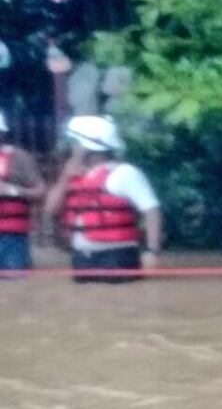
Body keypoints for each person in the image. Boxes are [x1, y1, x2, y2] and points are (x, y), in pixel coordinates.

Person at [45, 115, 163, 283]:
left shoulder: (125, 173)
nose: (71, 147)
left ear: (86, 147)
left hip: (116, 257)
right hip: (82, 258)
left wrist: (152, 252)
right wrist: (65, 177)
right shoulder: (73, 175)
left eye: (75, 143)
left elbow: (152, 210)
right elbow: (50, 209)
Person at [0, 110, 47, 271]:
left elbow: (41, 191)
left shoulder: (19, 157)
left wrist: (12, 190)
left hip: (10, 235)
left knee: (14, 278)